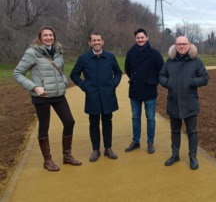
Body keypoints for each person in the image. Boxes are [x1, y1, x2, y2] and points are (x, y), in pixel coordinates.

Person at [14, 26, 82, 171]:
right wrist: (34, 87)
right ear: (40, 37)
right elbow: (18, 73)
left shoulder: (58, 51)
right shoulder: (32, 52)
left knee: (69, 121)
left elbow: (62, 70)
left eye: (51, 35)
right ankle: (48, 160)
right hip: (42, 95)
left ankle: (67, 155)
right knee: (44, 127)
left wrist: (63, 82)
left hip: (58, 94)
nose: (48, 37)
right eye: (45, 35)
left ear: (54, 37)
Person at [70, 32, 122, 162]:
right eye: (94, 40)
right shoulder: (83, 58)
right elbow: (74, 74)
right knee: (93, 123)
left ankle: (108, 148)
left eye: (99, 40)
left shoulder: (110, 57)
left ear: (103, 42)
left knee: (107, 122)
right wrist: (84, 86)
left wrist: (113, 84)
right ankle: (95, 149)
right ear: (90, 43)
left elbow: (118, 72)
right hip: (92, 95)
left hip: (107, 95)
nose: (97, 42)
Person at [159, 36, 209, 170]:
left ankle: (193, 157)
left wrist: (192, 82)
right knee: (175, 131)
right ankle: (175, 155)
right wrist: (168, 83)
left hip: (190, 102)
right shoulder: (169, 62)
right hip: (173, 101)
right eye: (179, 44)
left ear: (189, 45)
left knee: (192, 131)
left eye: (184, 44)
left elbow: (205, 78)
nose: (181, 46)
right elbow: (161, 76)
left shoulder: (196, 62)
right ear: (175, 46)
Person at [124, 28, 164, 154]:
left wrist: (153, 81)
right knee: (135, 117)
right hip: (135, 90)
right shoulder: (130, 53)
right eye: (138, 38)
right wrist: (135, 79)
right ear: (135, 39)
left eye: (142, 37)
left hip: (149, 90)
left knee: (150, 118)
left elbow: (161, 70)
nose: (140, 40)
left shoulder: (155, 53)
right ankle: (136, 141)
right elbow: (128, 69)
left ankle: (150, 142)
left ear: (147, 38)